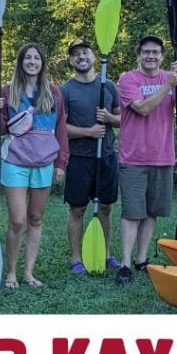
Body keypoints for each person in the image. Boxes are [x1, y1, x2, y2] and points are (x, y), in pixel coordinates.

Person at [0, 42, 69, 288]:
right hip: (15, 161)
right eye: (28, 58)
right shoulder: (7, 91)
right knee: (17, 220)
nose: (32, 62)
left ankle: (29, 273)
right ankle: (11, 272)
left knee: (35, 218)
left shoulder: (54, 93)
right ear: (21, 62)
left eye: (36, 58)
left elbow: (61, 129)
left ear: (42, 63)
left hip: (44, 163)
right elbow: (1, 129)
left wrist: (61, 163)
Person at [115, 35, 177, 284]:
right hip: (133, 157)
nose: (151, 56)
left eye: (156, 52)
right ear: (138, 55)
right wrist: (168, 85)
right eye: (146, 52)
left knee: (151, 212)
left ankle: (142, 260)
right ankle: (125, 264)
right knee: (131, 212)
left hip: (163, 156)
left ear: (162, 55)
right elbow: (143, 108)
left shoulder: (170, 78)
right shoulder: (128, 79)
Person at [61, 40, 123, 276]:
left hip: (106, 156)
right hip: (79, 158)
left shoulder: (108, 86)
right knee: (77, 209)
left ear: (94, 57)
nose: (81, 57)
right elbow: (60, 128)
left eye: (85, 52)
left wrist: (108, 118)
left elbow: (122, 120)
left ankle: (106, 254)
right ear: (71, 60)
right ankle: (76, 259)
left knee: (106, 208)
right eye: (75, 54)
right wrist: (88, 132)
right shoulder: (65, 90)